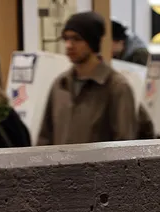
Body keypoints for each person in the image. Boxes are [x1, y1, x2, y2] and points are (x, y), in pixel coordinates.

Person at [38, 12, 139, 145]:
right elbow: (45, 137)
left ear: (92, 42)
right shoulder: (61, 85)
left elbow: (125, 143)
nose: (69, 45)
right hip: (61, 165)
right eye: (66, 38)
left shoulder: (116, 87)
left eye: (77, 39)